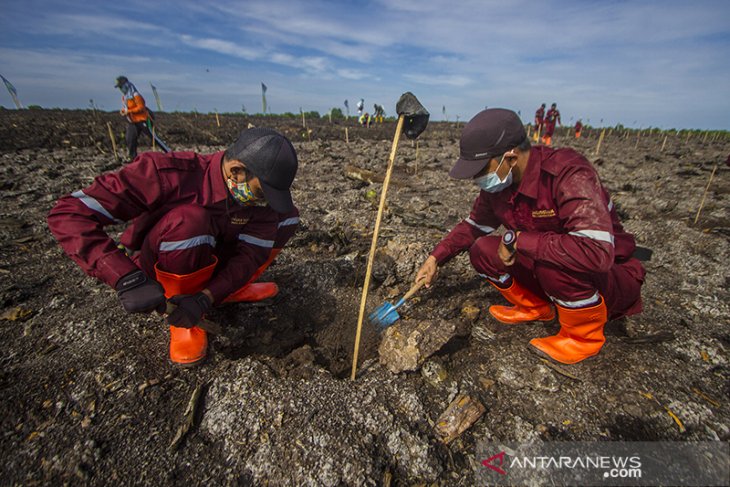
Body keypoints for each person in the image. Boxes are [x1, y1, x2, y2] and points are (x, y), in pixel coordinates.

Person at [48, 128, 300, 366]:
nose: (263, 201)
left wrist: (206, 298)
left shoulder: (260, 202)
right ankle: (181, 319)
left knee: (286, 217)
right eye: (260, 192)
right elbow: (69, 212)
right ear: (236, 171)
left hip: (212, 265)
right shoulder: (167, 174)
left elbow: (250, 256)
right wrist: (125, 277)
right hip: (161, 267)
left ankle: (223, 292)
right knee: (191, 222)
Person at [415, 108, 645, 364]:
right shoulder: (499, 187)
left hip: (607, 277)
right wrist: (436, 258)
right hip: (549, 271)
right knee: (482, 249)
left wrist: (517, 241)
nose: (477, 178)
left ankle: (583, 337)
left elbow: (595, 252)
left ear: (510, 158)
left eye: (481, 170)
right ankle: (536, 307)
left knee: (553, 260)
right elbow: (474, 226)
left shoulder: (569, 174)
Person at [114, 75, 170, 160]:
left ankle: (169, 152)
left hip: (143, 120)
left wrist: (129, 111)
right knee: (130, 138)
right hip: (133, 121)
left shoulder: (136, 95)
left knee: (153, 137)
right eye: (120, 88)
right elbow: (126, 108)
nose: (121, 89)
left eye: (122, 87)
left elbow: (141, 108)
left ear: (127, 85)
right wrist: (123, 111)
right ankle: (133, 157)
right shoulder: (124, 98)